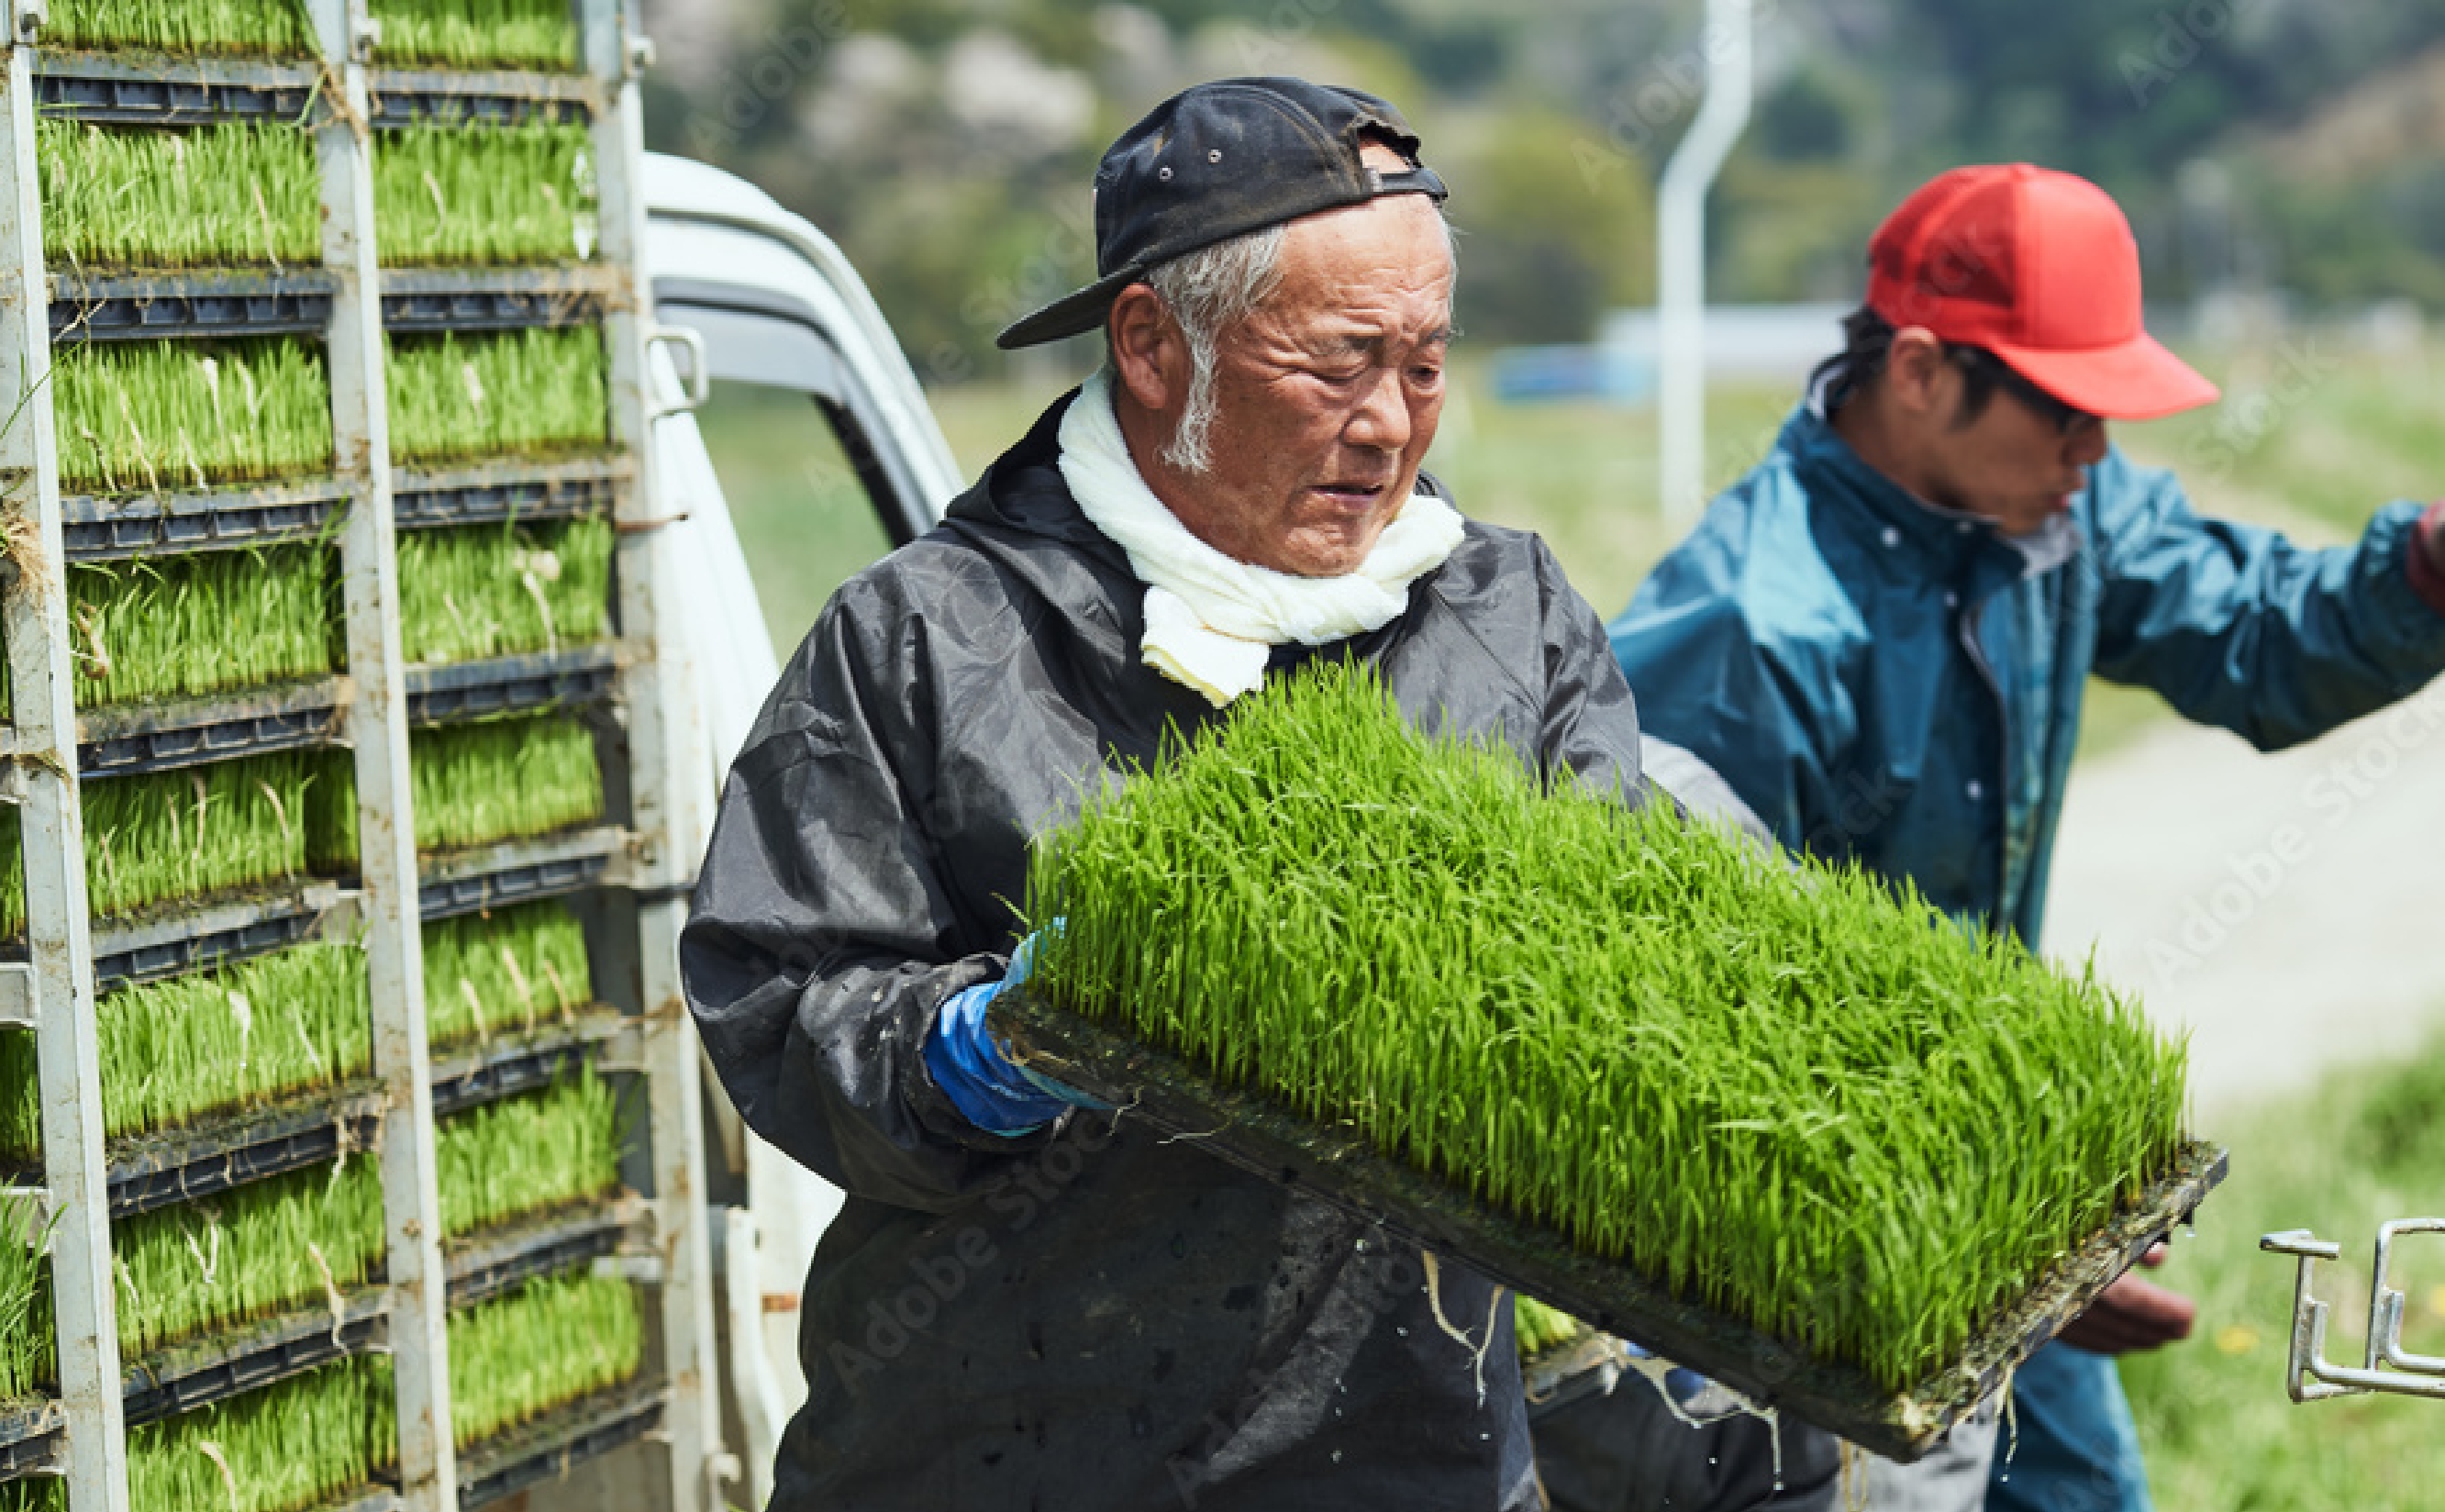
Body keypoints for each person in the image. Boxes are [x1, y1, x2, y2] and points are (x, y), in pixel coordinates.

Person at [683, 77, 1739, 1510]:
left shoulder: (1508, 615)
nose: (1389, 424)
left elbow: (1615, 955)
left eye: (1426, 366)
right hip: (1000, 1455)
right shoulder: (929, 635)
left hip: (1406, 1460)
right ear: (1152, 344)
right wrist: (979, 1049)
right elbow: (781, 998)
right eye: (1339, 363)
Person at [1607, 162, 2445, 1512]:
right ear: (1926, 371)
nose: (2097, 452)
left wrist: (2421, 570)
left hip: (2001, 1175)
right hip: (1801, 1240)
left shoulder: (2054, 509)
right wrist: (1972, 1241)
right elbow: (1703, 1039)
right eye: (2070, 411)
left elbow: (2256, 634)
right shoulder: (1750, 635)